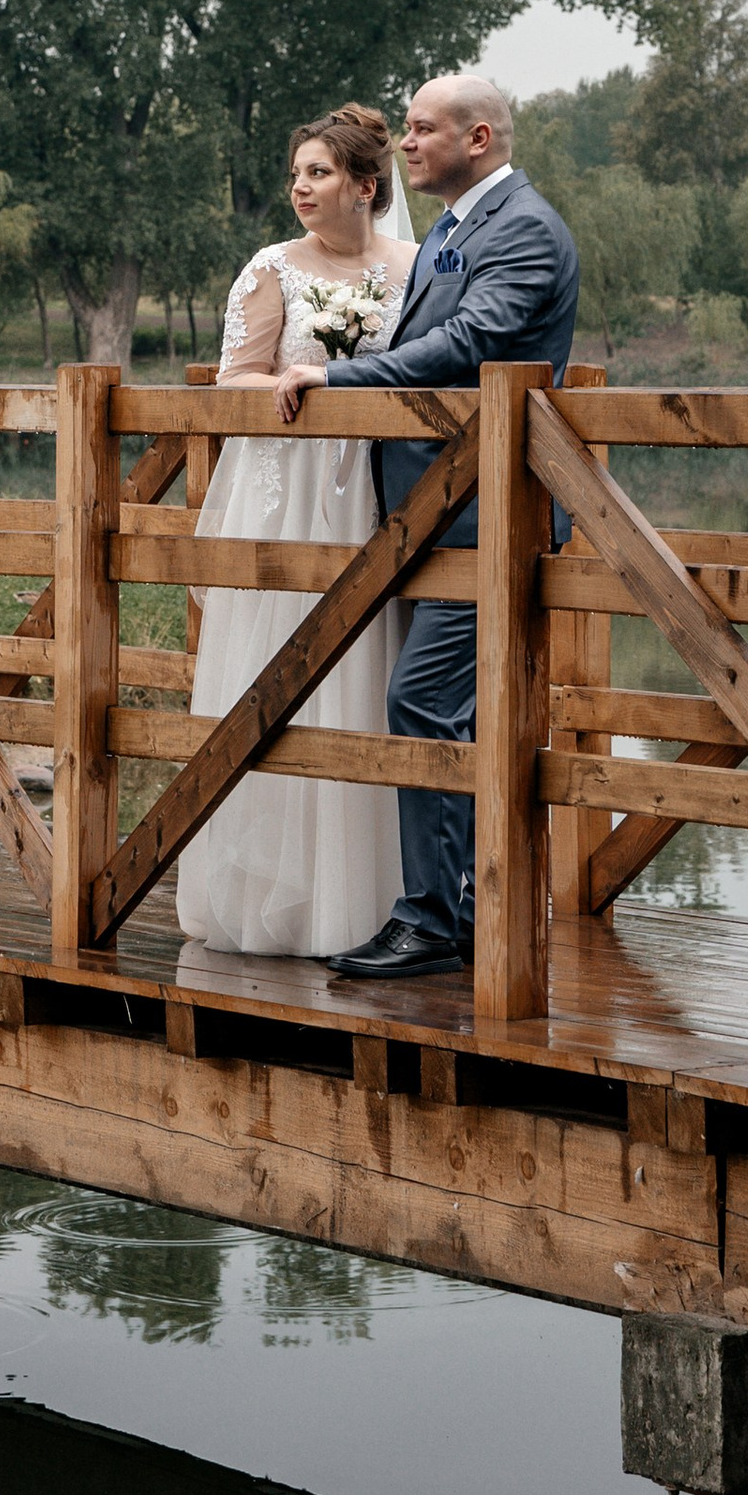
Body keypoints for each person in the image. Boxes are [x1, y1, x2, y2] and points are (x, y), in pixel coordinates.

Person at [274, 70, 578, 980]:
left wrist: (340, 378)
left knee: (422, 701)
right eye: (404, 131)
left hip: (487, 508)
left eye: (422, 129)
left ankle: (434, 920)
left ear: (477, 138)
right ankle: (468, 905)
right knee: (454, 709)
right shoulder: (454, 226)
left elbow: (474, 342)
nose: (405, 144)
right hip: (434, 506)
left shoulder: (521, 226)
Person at [177, 105, 419, 956]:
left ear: (365, 184)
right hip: (287, 493)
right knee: (278, 672)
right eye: (295, 175)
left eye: (317, 173)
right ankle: (266, 896)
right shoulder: (271, 268)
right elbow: (229, 382)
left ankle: (365, 903)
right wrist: (291, 389)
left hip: (377, 496)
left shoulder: (415, 267)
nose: (300, 189)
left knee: (367, 675)